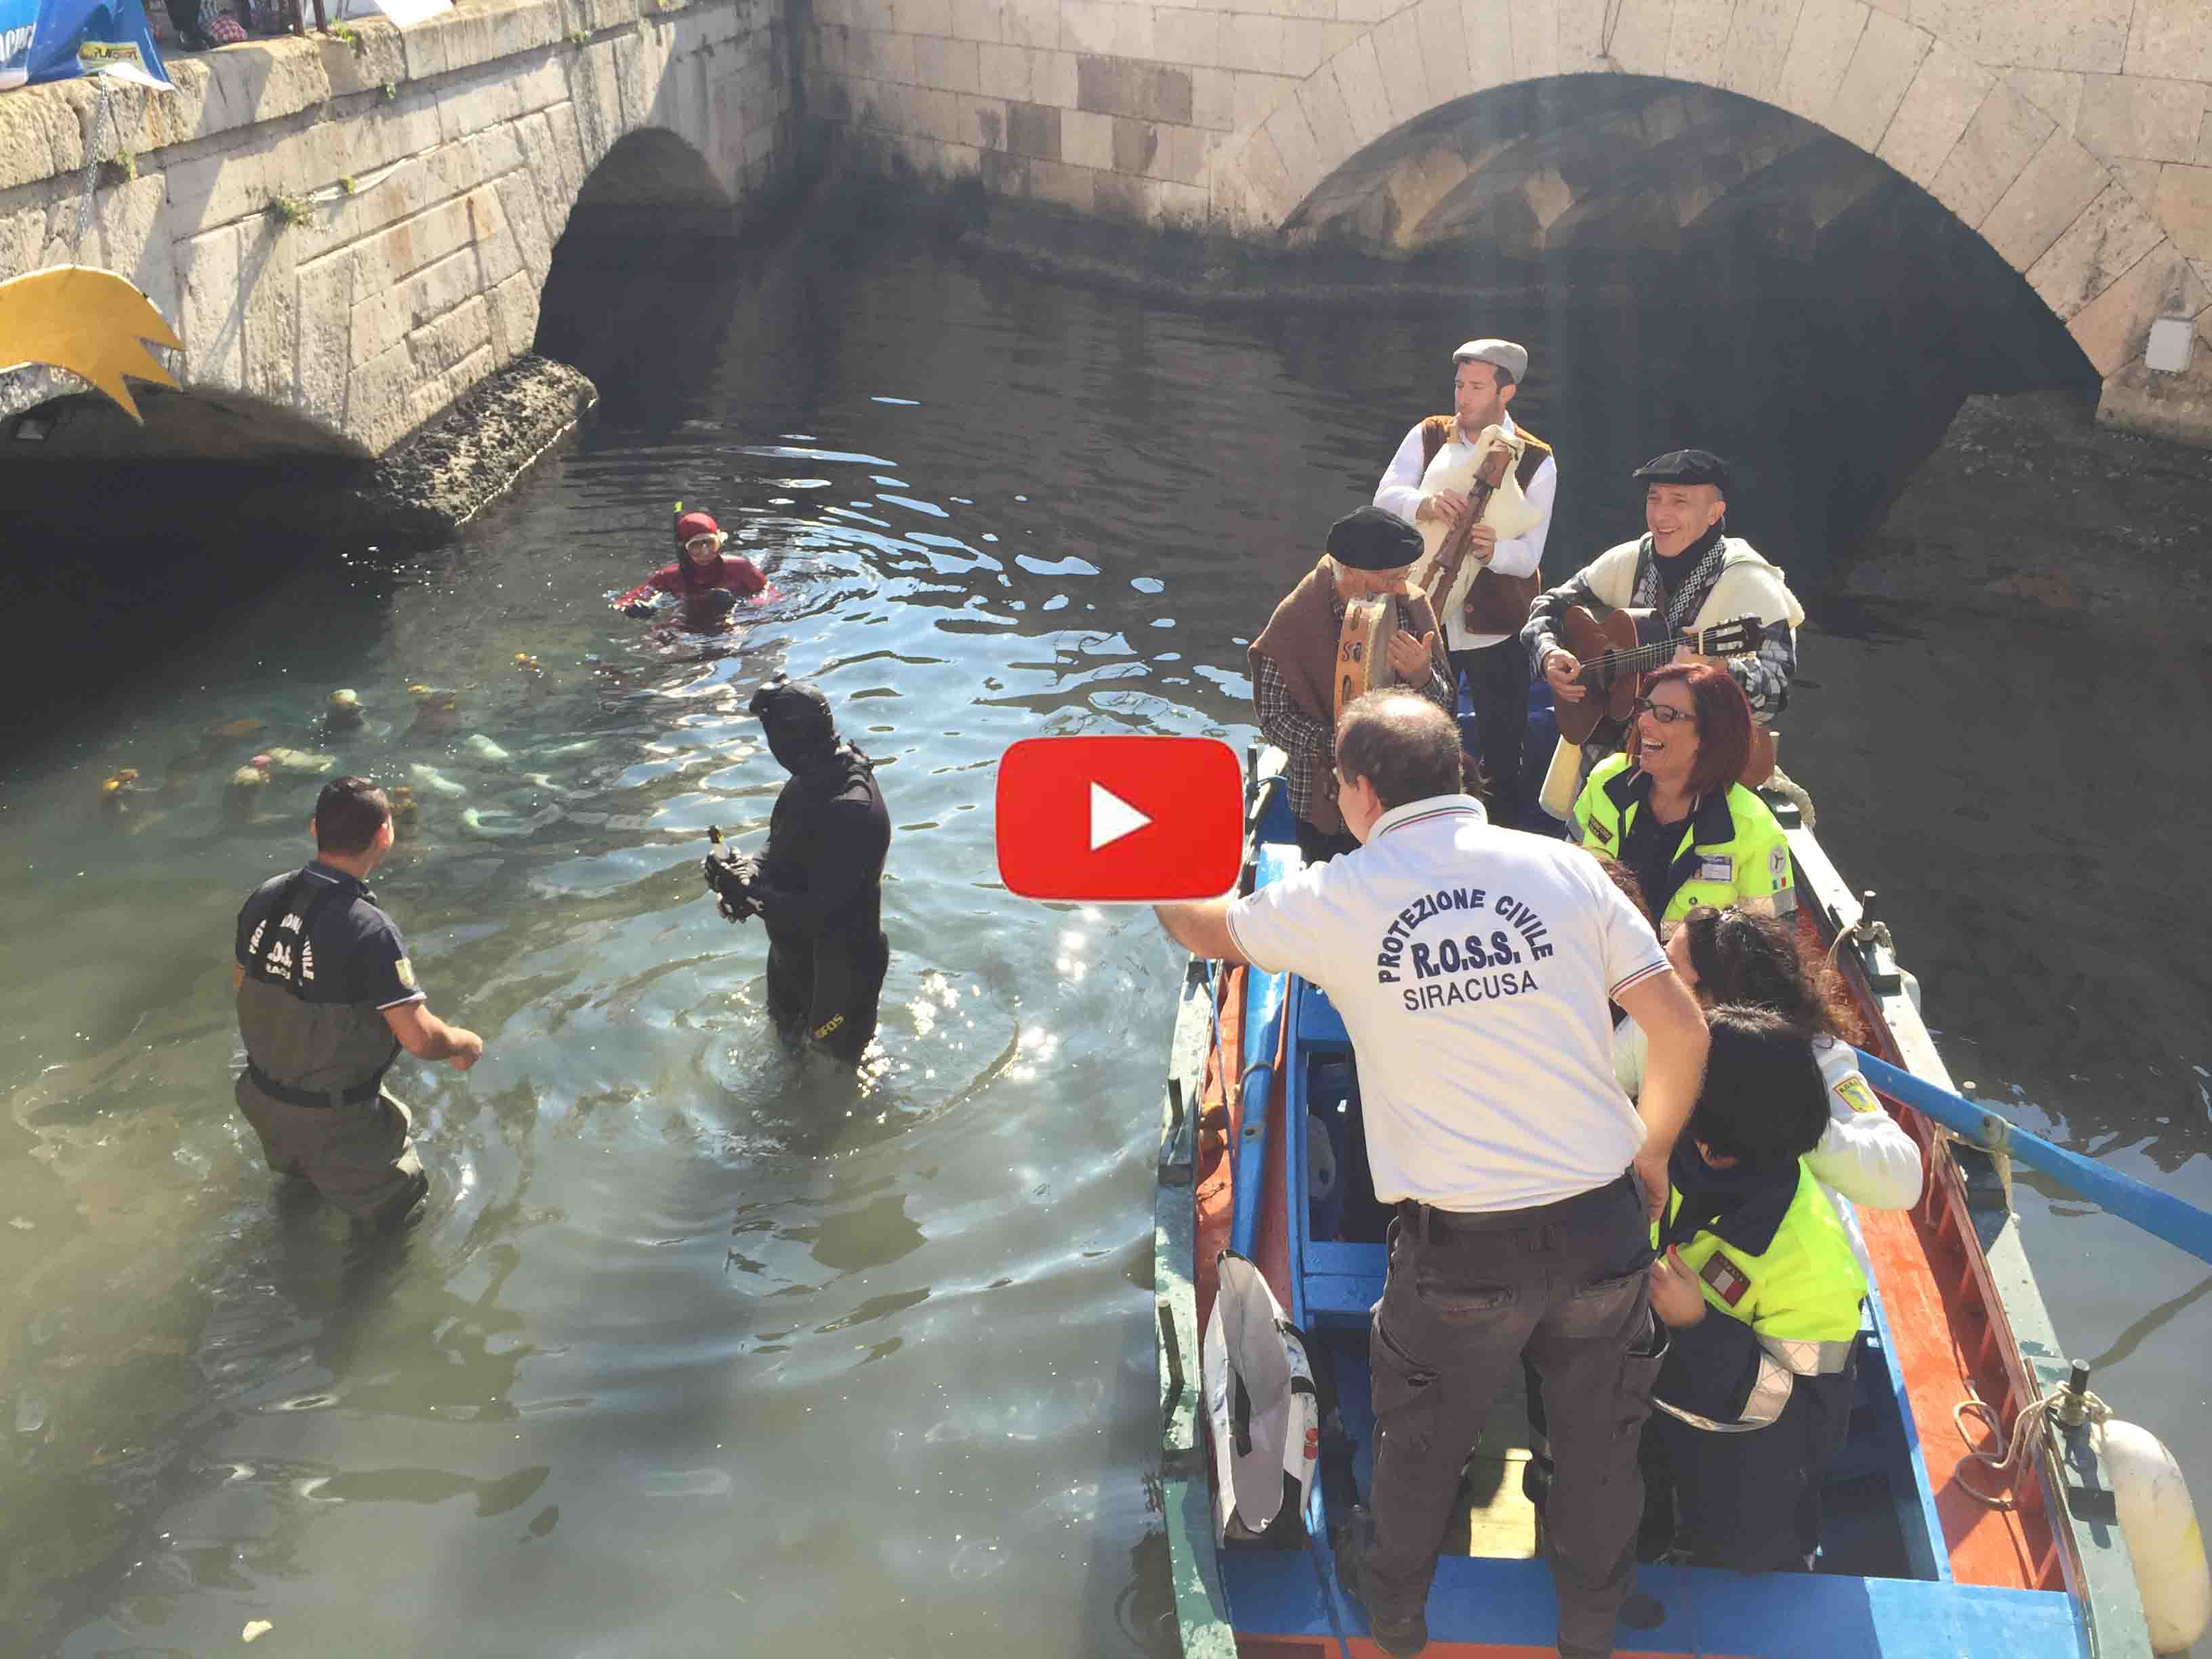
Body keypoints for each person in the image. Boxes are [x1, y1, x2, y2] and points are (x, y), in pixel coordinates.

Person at [1154, 689, 1710, 1659]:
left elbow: (1208, 931)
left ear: (1359, 794)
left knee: (1421, 1443)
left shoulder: (1337, 897)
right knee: (1598, 1445)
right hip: (1603, 1232)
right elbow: (1681, 1028)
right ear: (1460, 776)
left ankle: (1398, 1627)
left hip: (1462, 1258)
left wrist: (1152, 867)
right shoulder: (1567, 869)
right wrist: (1651, 1150)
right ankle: (1588, 1629)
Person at [1643, 1004, 1866, 1572]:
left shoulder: (1811, 1261)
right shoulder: (1665, 1161)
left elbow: (1809, 1424)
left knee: (1744, 1563)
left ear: (1712, 1140)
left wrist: (1696, 1327)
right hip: (1652, 1419)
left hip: (1745, 1478)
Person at [231, 777, 484, 1229]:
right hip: (333, 1120)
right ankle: (350, 1300)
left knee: (300, 1189)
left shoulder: (266, 895)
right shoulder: (371, 929)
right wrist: (465, 1043)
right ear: (385, 835)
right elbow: (420, 1039)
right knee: (398, 1210)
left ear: (314, 829)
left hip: (261, 1096)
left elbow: (242, 986)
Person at [1616, 905, 1923, 1212]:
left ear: (1713, 996)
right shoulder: (1657, 1026)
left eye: (1669, 969)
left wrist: (1794, 1125)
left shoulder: (1815, 1060)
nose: (1658, 978)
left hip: (1778, 1242)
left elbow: (1904, 1179)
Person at [1523, 449, 1804, 785]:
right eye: (1654, 500)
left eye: (1679, 502)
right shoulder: (1629, 560)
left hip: (1701, 772)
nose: (1660, 515)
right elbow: (1549, 605)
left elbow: (1776, 692)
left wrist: (1722, 671)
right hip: (1609, 761)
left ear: (1715, 513)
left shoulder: (1749, 579)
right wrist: (1549, 653)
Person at [1374, 338, 1557, 825]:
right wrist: (1424, 506)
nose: (1463, 397)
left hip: (1498, 630)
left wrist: (1492, 550)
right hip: (1425, 620)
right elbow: (1385, 498)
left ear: (1506, 393)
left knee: (1502, 748)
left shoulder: (1538, 460)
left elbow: (1529, 557)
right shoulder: (1430, 434)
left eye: (1477, 387)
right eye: (1459, 385)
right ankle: (1418, 829)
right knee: (1419, 738)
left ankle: (1499, 835)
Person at [1250, 506, 1456, 866]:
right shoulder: (1294, 621)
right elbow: (1274, 719)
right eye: (1391, 578)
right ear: (1353, 574)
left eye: (1403, 576)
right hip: (1321, 801)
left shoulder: (1410, 605)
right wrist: (1346, 747)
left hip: (1402, 796)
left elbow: (1444, 707)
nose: (1401, 587)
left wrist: (1424, 676)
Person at [703, 678, 890, 1065]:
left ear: (788, 739)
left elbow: (823, 911)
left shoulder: (851, 808)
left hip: (841, 970)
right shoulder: (812, 772)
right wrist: (744, 870)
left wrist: (751, 894)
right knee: (785, 1049)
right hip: (792, 956)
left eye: (770, 733)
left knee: (832, 1075)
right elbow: (780, 841)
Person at [1570, 663, 1795, 930]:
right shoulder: (1606, 780)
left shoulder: (1756, 831)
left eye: (1665, 715)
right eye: (1646, 707)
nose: (1644, 722)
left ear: (1710, 735)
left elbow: (1776, 949)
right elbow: (1564, 874)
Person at [614, 511, 769, 623]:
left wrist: (742, 608)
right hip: (686, 622)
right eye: (695, 546)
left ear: (720, 541)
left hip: (733, 622)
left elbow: (772, 595)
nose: (705, 552)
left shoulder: (740, 568)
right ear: (684, 549)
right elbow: (625, 601)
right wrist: (633, 609)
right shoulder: (668, 577)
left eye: (710, 543)